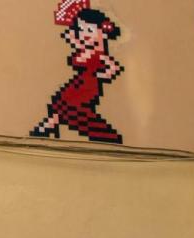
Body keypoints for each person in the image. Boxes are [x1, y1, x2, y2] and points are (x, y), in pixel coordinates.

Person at [30, 7, 124, 143]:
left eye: (89, 30)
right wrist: (73, 39)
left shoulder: (99, 55)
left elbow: (113, 67)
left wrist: (103, 75)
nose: (85, 34)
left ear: (102, 33)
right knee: (64, 105)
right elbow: (78, 58)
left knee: (72, 109)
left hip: (89, 87)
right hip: (79, 83)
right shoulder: (87, 51)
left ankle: (50, 126)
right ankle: (49, 125)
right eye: (82, 30)